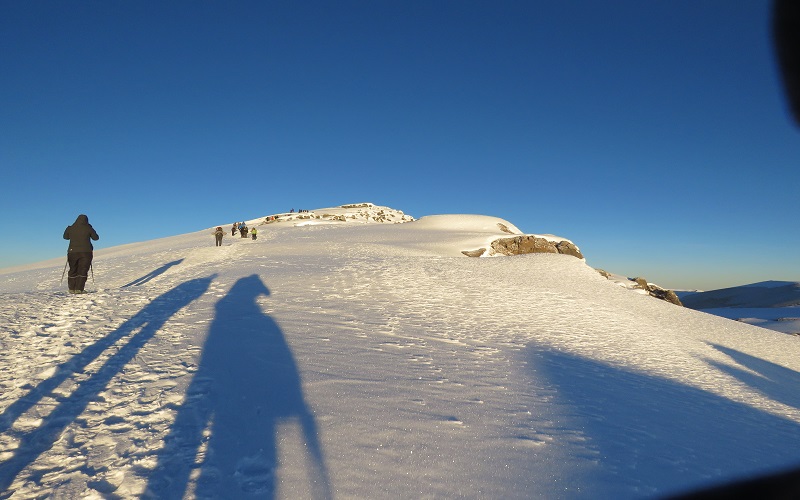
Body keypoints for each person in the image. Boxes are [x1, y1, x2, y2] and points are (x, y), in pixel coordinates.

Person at [63, 214, 99, 294]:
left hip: (72, 252)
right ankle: (79, 289)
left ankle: (72, 289)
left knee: (73, 269)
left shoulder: (70, 228)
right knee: (83, 270)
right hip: (86, 252)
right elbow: (96, 238)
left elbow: (65, 237)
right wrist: (90, 228)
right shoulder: (88, 228)